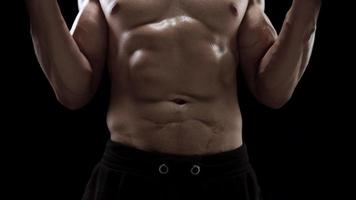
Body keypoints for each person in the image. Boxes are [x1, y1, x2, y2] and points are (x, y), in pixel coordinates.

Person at [26, 0, 321, 199]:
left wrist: (307, 9)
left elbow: (272, 90)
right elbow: (74, 91)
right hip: (130, 175)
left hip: (222, 177)